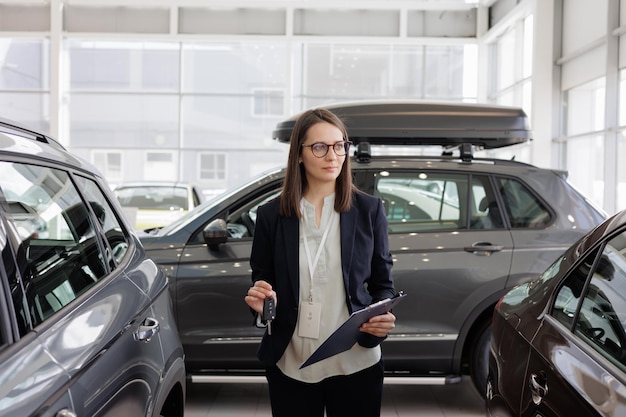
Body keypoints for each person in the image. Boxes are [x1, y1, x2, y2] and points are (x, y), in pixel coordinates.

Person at [244, 108, 396, 417]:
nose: (333, 156)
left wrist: (383, 318)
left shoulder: (369, 210)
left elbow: (383, 286)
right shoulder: (272, 216)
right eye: (320, 147)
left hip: (356, 361)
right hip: (292, 361)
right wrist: (261, 306)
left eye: (340, 145)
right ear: (299, 154)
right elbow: (262, 283)